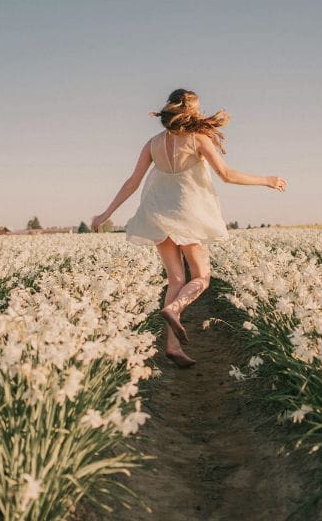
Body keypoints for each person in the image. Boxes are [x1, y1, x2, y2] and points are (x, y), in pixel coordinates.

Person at [91, 89, 286, 368]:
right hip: (188, 214)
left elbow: (132, 182)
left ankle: (172, 347)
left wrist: (105, 213)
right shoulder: (198, 139)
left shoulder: (153, 143)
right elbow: (227, 175)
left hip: (156, 214)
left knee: (176, 280)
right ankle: (175, 308)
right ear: (192, 111)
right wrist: (266, 179)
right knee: (202, 277)